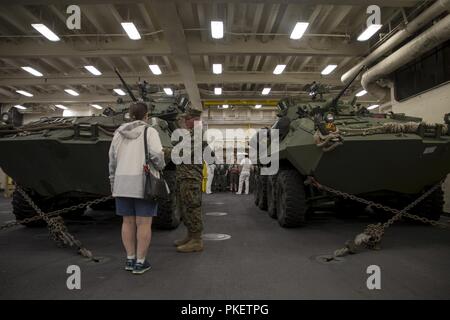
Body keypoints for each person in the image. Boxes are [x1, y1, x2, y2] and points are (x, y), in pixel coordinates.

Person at [108, 102, 165, 274]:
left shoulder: (118, 133)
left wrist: (113, 182)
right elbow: (157, 154)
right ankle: (140, 263)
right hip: (143, 183)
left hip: (121, 182)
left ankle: (130, 259)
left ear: (129, 115)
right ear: (146, 115)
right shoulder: (150, 131)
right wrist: (160, 166)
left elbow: (112, 160)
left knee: (127, 222)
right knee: (143, 223)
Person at [174, 107, 204, 253]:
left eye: (187, 119)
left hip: (191, 176)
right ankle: (190, 235)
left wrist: (163, 151)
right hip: (186, 175)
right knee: (186, 207)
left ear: (194, 119)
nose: (185, 121)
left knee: (192, 207)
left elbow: (182, 152)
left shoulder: (198, 134)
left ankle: (196, 240)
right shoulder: (193, 133)